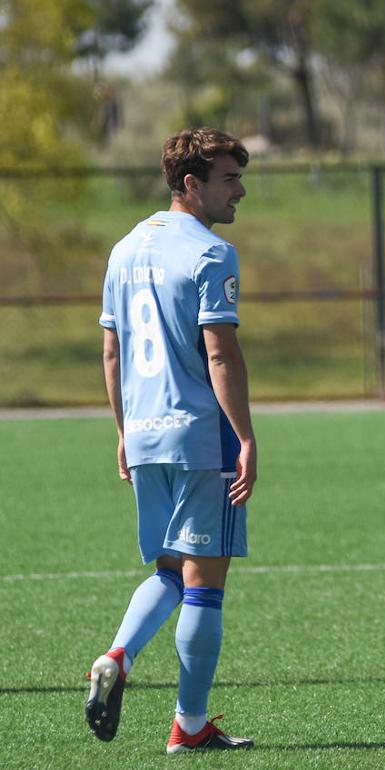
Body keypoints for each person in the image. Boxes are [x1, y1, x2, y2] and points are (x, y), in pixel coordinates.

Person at [88, 128, 257, 753]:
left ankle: (119, 654)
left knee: (168, 569)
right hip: (200, 439)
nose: (239, 191)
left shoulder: (124, 248)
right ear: (191, 183)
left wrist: (124, 432)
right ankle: (188, 725)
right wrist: (244, 436)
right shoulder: (213, 253)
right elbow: (220, 351)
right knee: (205, 582)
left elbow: (112, 351)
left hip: (146, 435)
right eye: (228, 179)